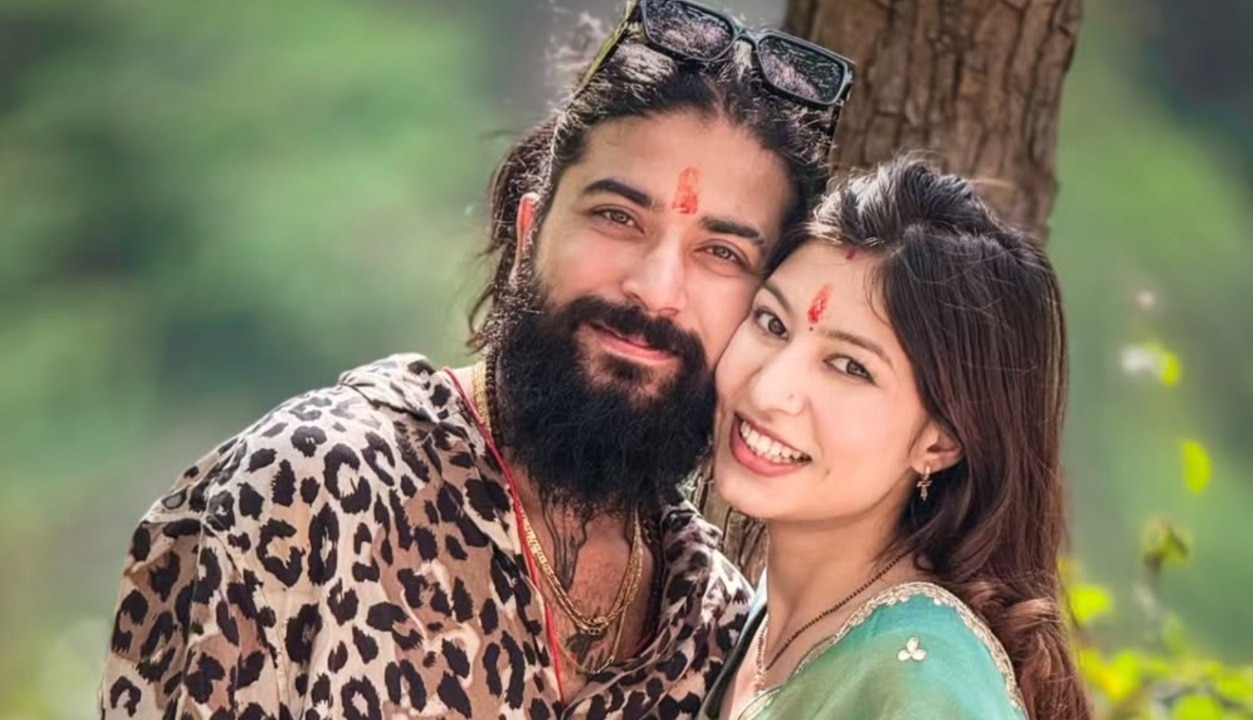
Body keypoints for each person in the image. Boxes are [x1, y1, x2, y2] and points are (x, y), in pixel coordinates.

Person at [98, 1, 854, 717]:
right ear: (530, 232)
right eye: (618, 217)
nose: (655, 290)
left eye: (721, 253)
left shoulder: (715, 632)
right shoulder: (317, 488)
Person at [700, 157, 1092, 719]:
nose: (768, 390)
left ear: (940, 442)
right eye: (772, 324)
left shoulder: (920, 685)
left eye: (849, 367)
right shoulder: (777, 613)